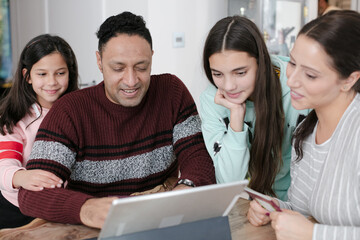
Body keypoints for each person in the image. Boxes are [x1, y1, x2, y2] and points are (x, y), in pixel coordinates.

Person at [17, 11, 215, 229]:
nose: (131, 81)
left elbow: (199, 158)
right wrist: (85, 208)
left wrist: (186, 188)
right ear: (99, 62)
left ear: (151, 57)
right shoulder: (70, 111)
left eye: (141, 67)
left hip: (161, 223)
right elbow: (31, 195)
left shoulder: (172, 92)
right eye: (118, 68)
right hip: (96, 229)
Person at [247, 10, 360, 239]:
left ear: (349, 80)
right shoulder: (305, 132)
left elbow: (312, 228)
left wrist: (313, 234)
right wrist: (275, 208)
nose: (291, 80)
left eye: (310, 75)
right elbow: (305, 211)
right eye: (293, 63)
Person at [200, 16, 309, 200]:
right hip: (244, 203)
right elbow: (230, 185)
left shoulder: (296, 88)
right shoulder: (212, 99)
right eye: (217, 74)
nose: (228, 86)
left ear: (261, 62)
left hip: (294, 205)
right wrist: (236, 117)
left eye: (240, 73)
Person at [0, 34, 79, 228]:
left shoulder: (79, 111)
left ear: (70, 73)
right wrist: (22, 177)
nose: (51, 82)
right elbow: (4, 165)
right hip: (17, 209)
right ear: (27, 76)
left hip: (61, 206)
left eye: (60, 73)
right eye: (42, 74)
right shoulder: (14, 118)